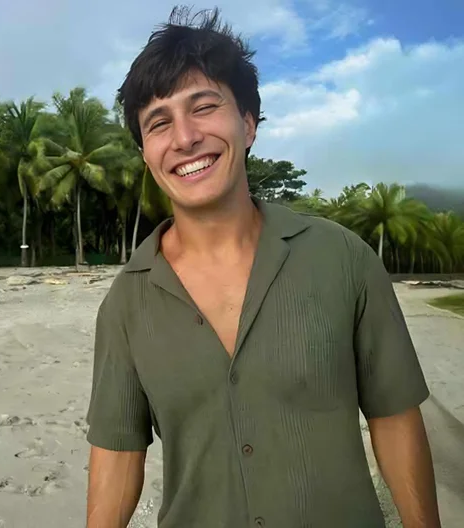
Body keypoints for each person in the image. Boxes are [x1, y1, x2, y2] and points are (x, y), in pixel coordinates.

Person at [84, 6, 440, 528]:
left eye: (204, 107)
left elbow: (394, 417)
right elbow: (117, 456)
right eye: (159, 123)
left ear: (248, 124)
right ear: (146, 154)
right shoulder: (126, 302)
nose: (184, 138)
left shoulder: (343, 258)